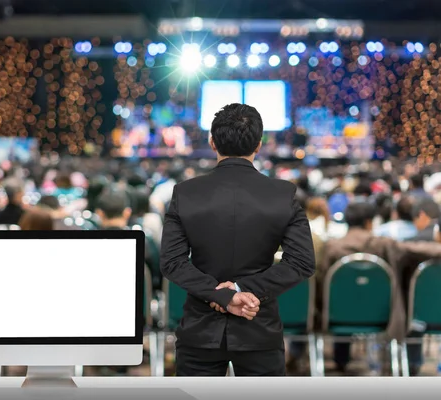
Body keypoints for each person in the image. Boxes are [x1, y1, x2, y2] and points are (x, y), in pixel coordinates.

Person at [160, 103, 315, 376]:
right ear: (259, 144)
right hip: (259, 325)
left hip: (199, 329)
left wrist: (222, 295)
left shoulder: (185, 193)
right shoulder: (282, 194)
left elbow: (172, 262)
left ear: (212, 142)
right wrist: (242, 289)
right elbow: (302, 262)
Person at [320, 202, 441, 373]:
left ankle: (340, 359)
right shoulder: (382, 244)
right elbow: (415, 249)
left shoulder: (332, 247)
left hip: (337, 314)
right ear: (369, 222)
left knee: (344, 298)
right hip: (380, 315)